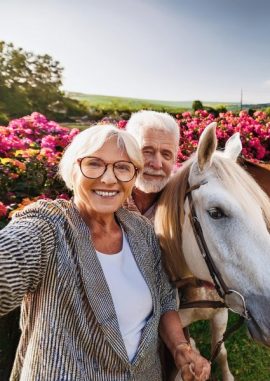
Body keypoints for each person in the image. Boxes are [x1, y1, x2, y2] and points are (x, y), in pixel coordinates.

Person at [0, 124, 210, 381]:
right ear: (72, 170)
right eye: (94, 164)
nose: (109, 179)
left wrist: (180, 348)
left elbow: (164, 298)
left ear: (133, 177)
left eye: (122, 168)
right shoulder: (49, 226)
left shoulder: (140, 230)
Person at [125, 110, 179, 222]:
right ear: (127, 152)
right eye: (147, 151)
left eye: (166, 154)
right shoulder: (108, 198)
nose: (157, 164)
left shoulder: (182, 205)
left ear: (174, 159)